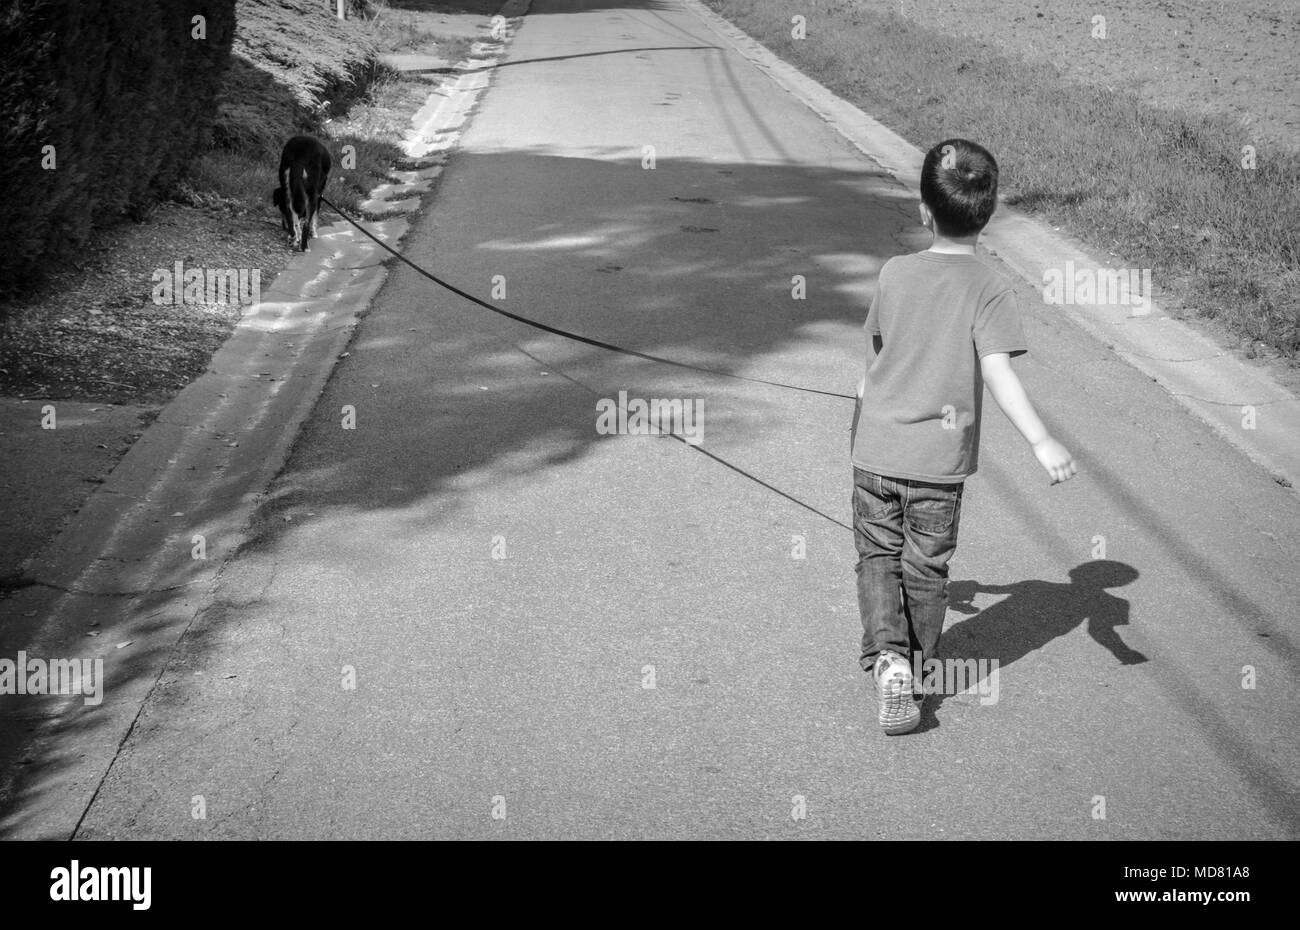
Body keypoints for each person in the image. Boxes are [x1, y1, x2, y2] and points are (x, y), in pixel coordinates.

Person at [850, 138, 1078, 735]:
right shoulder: (989, 286)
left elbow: (873, 360)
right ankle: (913, 672)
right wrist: (1040, 441)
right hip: (937, 466)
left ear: (924, 209)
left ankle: (889, 662)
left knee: (878, 557)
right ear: (991, 211)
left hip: (874, 451)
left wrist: (864, 405)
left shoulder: (896, 272)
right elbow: (999, 372)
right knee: (925, 568)